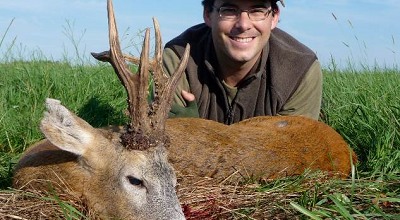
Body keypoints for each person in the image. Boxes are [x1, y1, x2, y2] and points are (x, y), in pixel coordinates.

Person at [164, 0, 322, 125]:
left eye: (257, 10)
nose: (244, 25)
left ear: (274, 17)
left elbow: (291, 155)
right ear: (208, 14)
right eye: (229, 10)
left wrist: (194, 131)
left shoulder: (300, 71)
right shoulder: (178, 58)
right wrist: (178, 127)